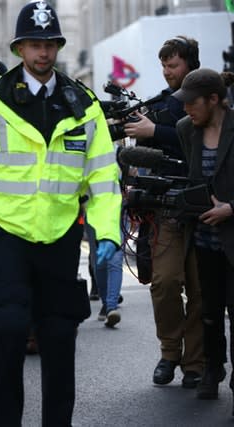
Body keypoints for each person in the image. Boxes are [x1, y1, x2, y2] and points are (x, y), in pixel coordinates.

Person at [0, 2, 121, 425]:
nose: (42, 53)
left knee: (59, 336)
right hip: (6, 235)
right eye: (34, 44)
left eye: (49, 44)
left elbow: (102, 175)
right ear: (20, 48)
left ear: (57, 46)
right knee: (5, 331)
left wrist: (108, 231)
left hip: (60, 236)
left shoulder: (83, 103)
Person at [124, 35, 204, 388]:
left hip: (205, 209)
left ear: (190, 64)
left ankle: (195, 363)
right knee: (165, 283)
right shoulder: (159, 105)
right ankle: (169, 352)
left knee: (202, 291)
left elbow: (198, 138)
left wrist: (155, 130)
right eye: (164, 66)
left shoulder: (209, 100)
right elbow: (140, 157)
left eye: (173, 65)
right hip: (166, 208)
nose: (167, 72)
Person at [174, 69, 234, 404]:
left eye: (192, 103)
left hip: (232, 235)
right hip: (203, 239)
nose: (186, 110)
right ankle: (213, 368)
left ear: (213, 99)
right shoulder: (186, 130)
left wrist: (230, 208)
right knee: (209, 311)